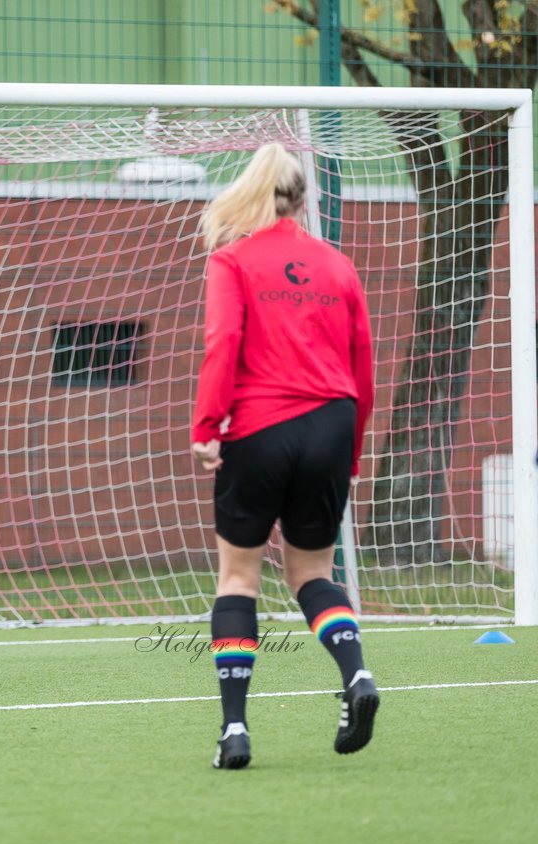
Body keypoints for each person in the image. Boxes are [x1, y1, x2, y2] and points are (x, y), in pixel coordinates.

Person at [191, 143, 378, 770]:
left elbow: (223, 344)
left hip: (261, 426)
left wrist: (207, 423)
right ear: (303, 198)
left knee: (239, 578)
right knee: (313, 574)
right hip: (333, 424)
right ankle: (356, 678)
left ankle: (235, 730)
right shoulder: (338, 265)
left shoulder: (232, 259)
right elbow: (363, 367)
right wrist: (349, 451)